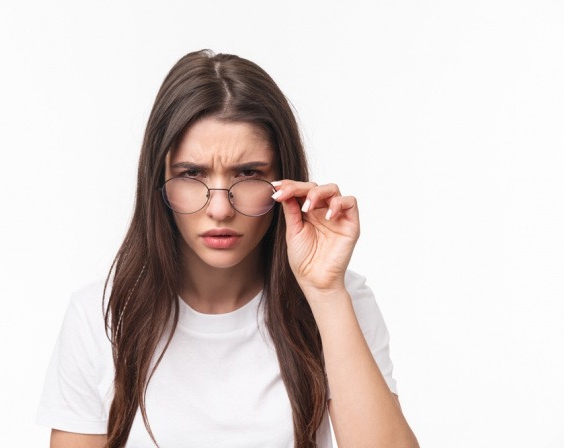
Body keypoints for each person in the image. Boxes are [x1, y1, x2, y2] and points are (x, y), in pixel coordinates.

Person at [37, 49, 419, 448]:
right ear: (159, 180)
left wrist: (325, 293)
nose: (219, 208)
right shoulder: (101, 314)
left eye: (249, 173)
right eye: (191, 173)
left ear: (283, 181)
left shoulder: (341, 299)